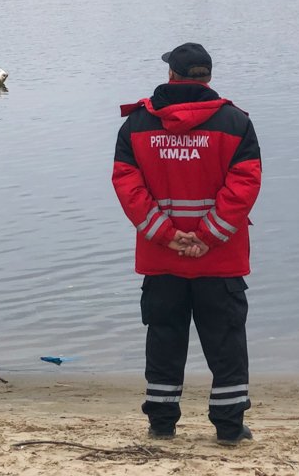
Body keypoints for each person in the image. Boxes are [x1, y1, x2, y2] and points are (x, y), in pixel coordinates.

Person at [112, 43, 262, 446]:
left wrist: (166, 234)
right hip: (221, 259)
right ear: (207, 79)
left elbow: (127, 186)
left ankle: (162, 425)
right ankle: (230, 429)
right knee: (226, 343)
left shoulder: (138, 124)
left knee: (164, 339)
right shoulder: (235, 123)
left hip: (162, 258)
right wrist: (208, 235)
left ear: (172, 77)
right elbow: (245, 184)